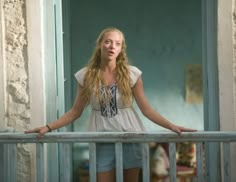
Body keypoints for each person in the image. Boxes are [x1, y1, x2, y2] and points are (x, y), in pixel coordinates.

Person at [25, 27, 196, 182]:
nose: (112, 46)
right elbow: (75, 111)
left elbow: (147, 110)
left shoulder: (131, 74)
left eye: (117, 43)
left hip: (131, 137)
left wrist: (171, 126)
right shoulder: (85, 76)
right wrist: (48, 127)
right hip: (101, 139)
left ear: (121, 49)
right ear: (100, 44)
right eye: (107, 41)